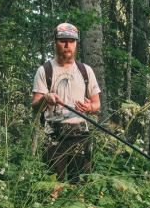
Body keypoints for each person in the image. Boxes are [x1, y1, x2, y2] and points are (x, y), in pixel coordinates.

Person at [31, 22, 101, 180]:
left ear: (76, 43)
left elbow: (97, 104)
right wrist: (45, 98)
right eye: (63, 40)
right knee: (54, 185)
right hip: (53, 135)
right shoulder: (45, 71)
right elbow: (35, 105)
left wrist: (89, 107)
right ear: (55, 42)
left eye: (72, 41)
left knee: (80, 185)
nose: (67, 45)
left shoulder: (86, 71)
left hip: (81, 135)